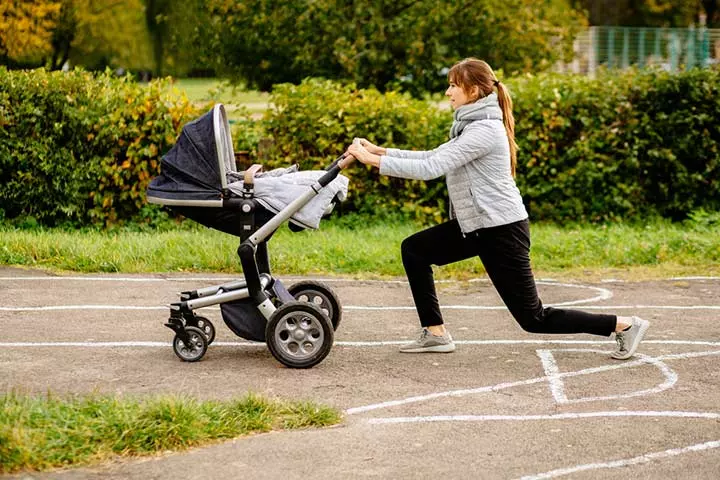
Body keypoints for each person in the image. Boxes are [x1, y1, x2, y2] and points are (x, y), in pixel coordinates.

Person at [345, 58, 649, 359]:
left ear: (475, 91)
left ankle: (624, 326)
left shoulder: (485, 131)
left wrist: (370, 160)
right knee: (414, 250)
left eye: (453, 85)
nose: (448, 92)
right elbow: (434, 155)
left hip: (501, 230)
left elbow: (431, 167)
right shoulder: (471, 125)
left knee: (533, 319)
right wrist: (379, 150)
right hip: (476, 226)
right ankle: (435, 333)